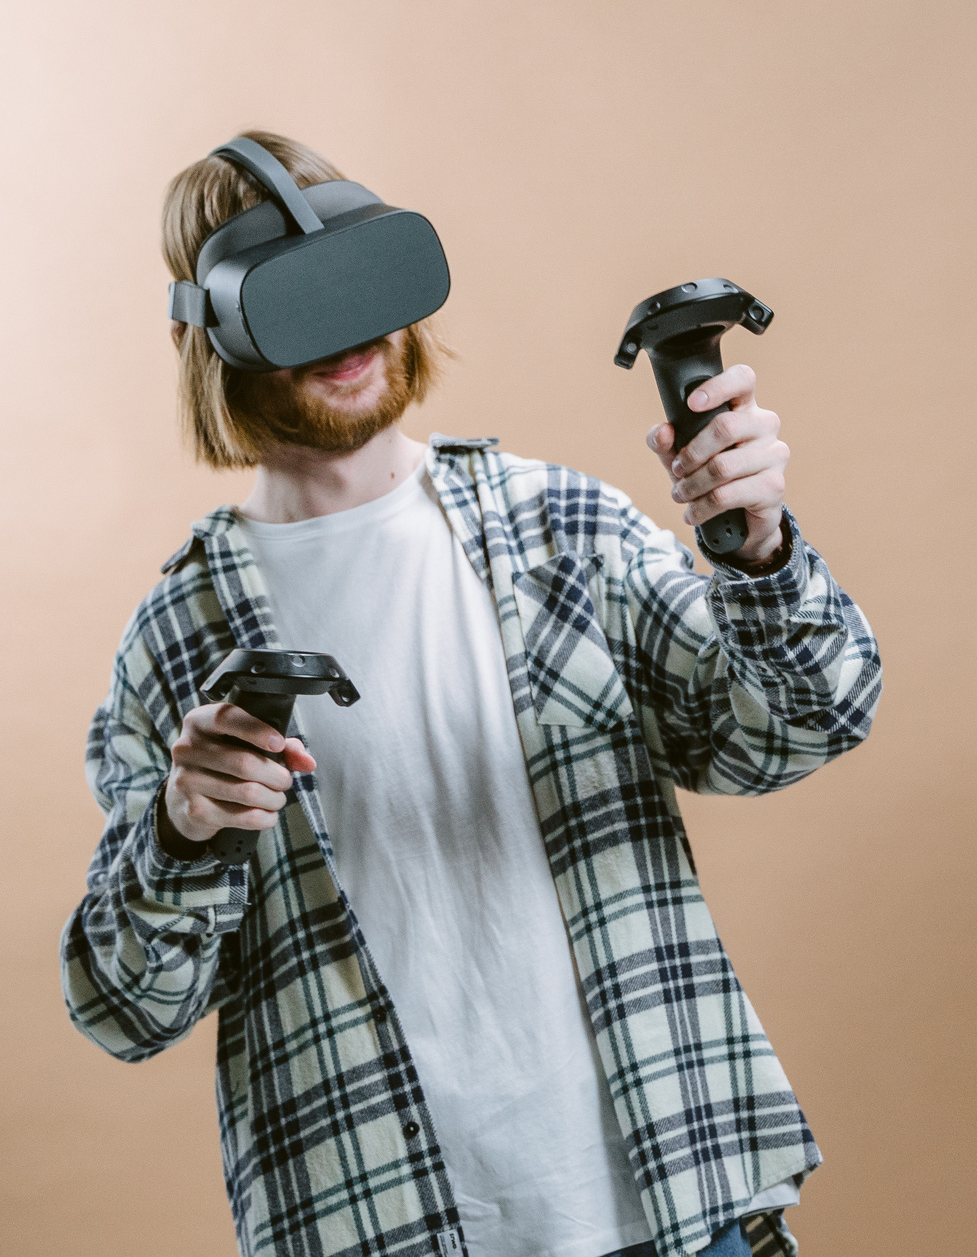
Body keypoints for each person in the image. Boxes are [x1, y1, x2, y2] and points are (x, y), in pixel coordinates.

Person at [61, 131, 882, 1257]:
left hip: (672, 1200)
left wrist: (760, 553)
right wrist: (183, 825)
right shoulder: (179, 641)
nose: (348, 333)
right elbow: (122, 1005)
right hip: (379, 1222)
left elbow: (804, 723)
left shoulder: (561, 530)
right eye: (296, 303)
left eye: (362, 281)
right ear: (210, 331)